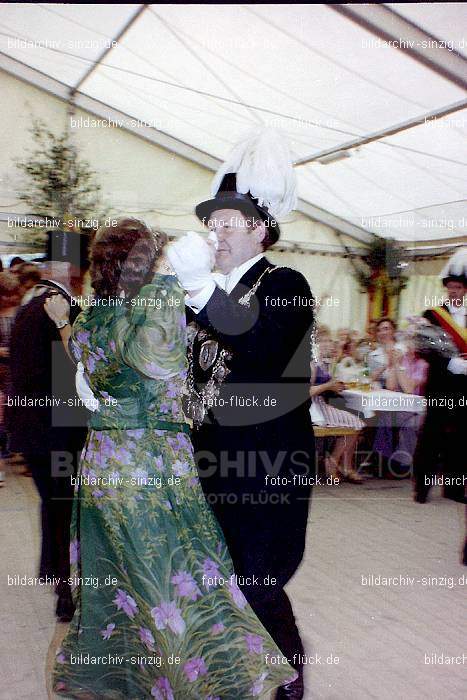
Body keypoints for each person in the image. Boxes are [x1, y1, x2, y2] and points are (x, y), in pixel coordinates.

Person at [50, 217, 296, 699]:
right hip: (150, 465)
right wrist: (169, 287)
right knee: (177, 584)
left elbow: (86, 377)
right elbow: (159, 361)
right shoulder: (152, 305)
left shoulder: (94, 315)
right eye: (160, 257)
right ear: (146, 264)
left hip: (104, 464)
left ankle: (127, 683)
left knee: (122, 587)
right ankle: (197, 685)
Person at [168, 128, 314, 700]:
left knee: (258, 579)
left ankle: (290, 675)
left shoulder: (286, 283)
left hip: (268, 465)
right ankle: (236, 669)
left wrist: (201, 293)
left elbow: (264, 349)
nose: (213, 233)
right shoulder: (200, 292)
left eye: (225, 222)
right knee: (218, 579)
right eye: (210, 223)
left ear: (260, 227)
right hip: (209, 461)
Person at [8, 230, 89, 620]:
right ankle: (65, 590)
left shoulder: (27, 306)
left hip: (31, 428)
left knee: (53, 505)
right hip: (60, 430)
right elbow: (76, 372)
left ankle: (57, 579)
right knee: (65, 507)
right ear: (72, 269)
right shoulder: (61, 309)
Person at [413, 248, 466, 504]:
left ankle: (454, 489)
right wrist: (450, 362)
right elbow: (423, 349)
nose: (454, 291)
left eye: (459, 287)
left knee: (460, 438)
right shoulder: (432, 315)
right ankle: (421, 489)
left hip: (464, 388)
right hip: (440, 386)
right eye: (451, 286)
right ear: (446, 288)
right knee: (431, 437)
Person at [310, 329, 365, 483]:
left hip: (320, 405)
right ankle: (336, 464)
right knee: (356, 424)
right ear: (314, 344)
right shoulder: (312, 364)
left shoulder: (324, 362)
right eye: (322, 341)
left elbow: (328, 385)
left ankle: (339, 464)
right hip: (313, 409)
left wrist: (336, 386)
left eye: (329, 341)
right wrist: (328, 386)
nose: (327, 344)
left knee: (356, 424)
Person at [0, 272, 22, 486]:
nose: (10, 299)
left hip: (15, 376)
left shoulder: (22, 312)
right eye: (5, 295)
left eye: (12, 294)